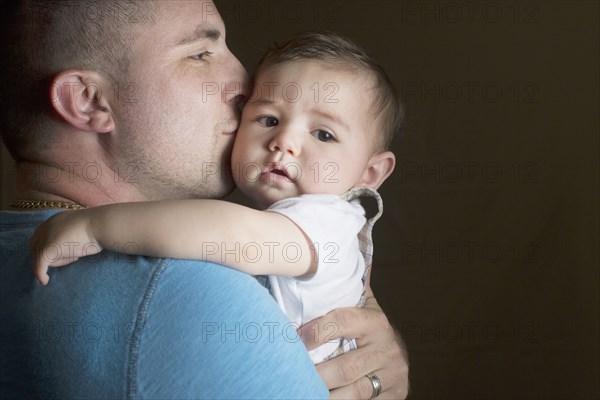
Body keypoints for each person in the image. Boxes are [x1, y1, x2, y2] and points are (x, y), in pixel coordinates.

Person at [0, 1, 408, 399]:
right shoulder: (188, 296)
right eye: (200, 54)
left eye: (323, 133)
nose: (244, 84)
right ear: (88, 100)